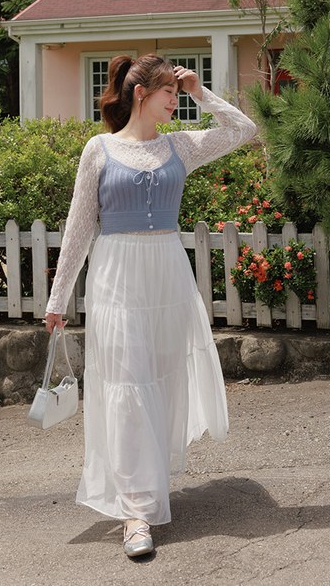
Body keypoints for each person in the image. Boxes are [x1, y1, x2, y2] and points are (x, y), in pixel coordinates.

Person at [43, 54, 257, 558]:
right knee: (127, 385)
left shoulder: (180, 145)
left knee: (158, 381)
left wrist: (201, 92)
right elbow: (78, 229)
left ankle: (147, 484)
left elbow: (243, 129)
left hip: (167, 278)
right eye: (170, 93)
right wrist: (58, 299)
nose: (175, 102)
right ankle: (135, 512)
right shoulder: (98, 150)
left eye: (178, 95)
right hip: (117, 277)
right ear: (142, 93)